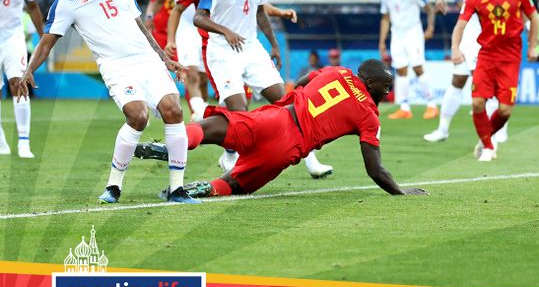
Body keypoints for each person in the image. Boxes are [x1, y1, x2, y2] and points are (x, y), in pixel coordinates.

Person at [12, 0, 198, 204]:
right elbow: (47, 42)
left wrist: (163, 58)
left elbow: (141, 28)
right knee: (138, 116)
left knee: (174, 110)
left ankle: (177, 190)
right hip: (116, 66)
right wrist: (29, 70)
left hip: (147, 60)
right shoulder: (67, 1)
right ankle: (114, 186)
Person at [133, 60, 427, 198]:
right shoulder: (369, 115)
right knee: (236, 184)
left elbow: (302, 81)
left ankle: (178, 142)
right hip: (290, 149)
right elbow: (375, 168)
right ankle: (198, 188)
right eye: (386, 88)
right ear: (372, 84)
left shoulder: (337, 71)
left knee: (213, 128)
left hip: (279, 118)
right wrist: (400, 190)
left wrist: (293, 100)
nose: (388, 93)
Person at [193, 0, 285, 172]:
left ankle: (309, 159)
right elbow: (198, 18)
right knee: (239, 110)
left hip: (252, 48)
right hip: (223, 51)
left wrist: (273, 46)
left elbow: (260, 12)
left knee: (285, 102)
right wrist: (225, 31)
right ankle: (232, 158)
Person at [426, 0, 518, 144]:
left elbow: (519, 1)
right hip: (469, 35)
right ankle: (443, 129)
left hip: (496, 37)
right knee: (458, 80)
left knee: (495, 85)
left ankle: (497, 132)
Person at [450, 0, 538, 162]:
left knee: (505, 110)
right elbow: (460, 24)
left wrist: (532, 46)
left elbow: (534, 17)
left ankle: (485, 136)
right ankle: (488, 146)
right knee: (478, 103)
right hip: (486, 56)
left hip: (510, 59)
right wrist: (455, 48)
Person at [147, 0, 208, 121]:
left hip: (206, 30)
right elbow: (158, 1)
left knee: (204, 79)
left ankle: (201, 114)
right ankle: (201, 116)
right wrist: (149, 17)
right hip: (186, 31)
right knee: (192, 76)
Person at [0, 0, 44, 158]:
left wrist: (43, 35)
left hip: (13, 37)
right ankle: (1, 141)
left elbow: (34, 7)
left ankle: (24, 143)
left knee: (19, 83)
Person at [378, 0, 438, 120]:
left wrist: (430, 28)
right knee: (401, 70)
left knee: (418, 67)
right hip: (397, 36)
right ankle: (405, 108)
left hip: (413, 34)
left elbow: (429, 8)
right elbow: (385, 19)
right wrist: (382, 41)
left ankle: (432, 105)